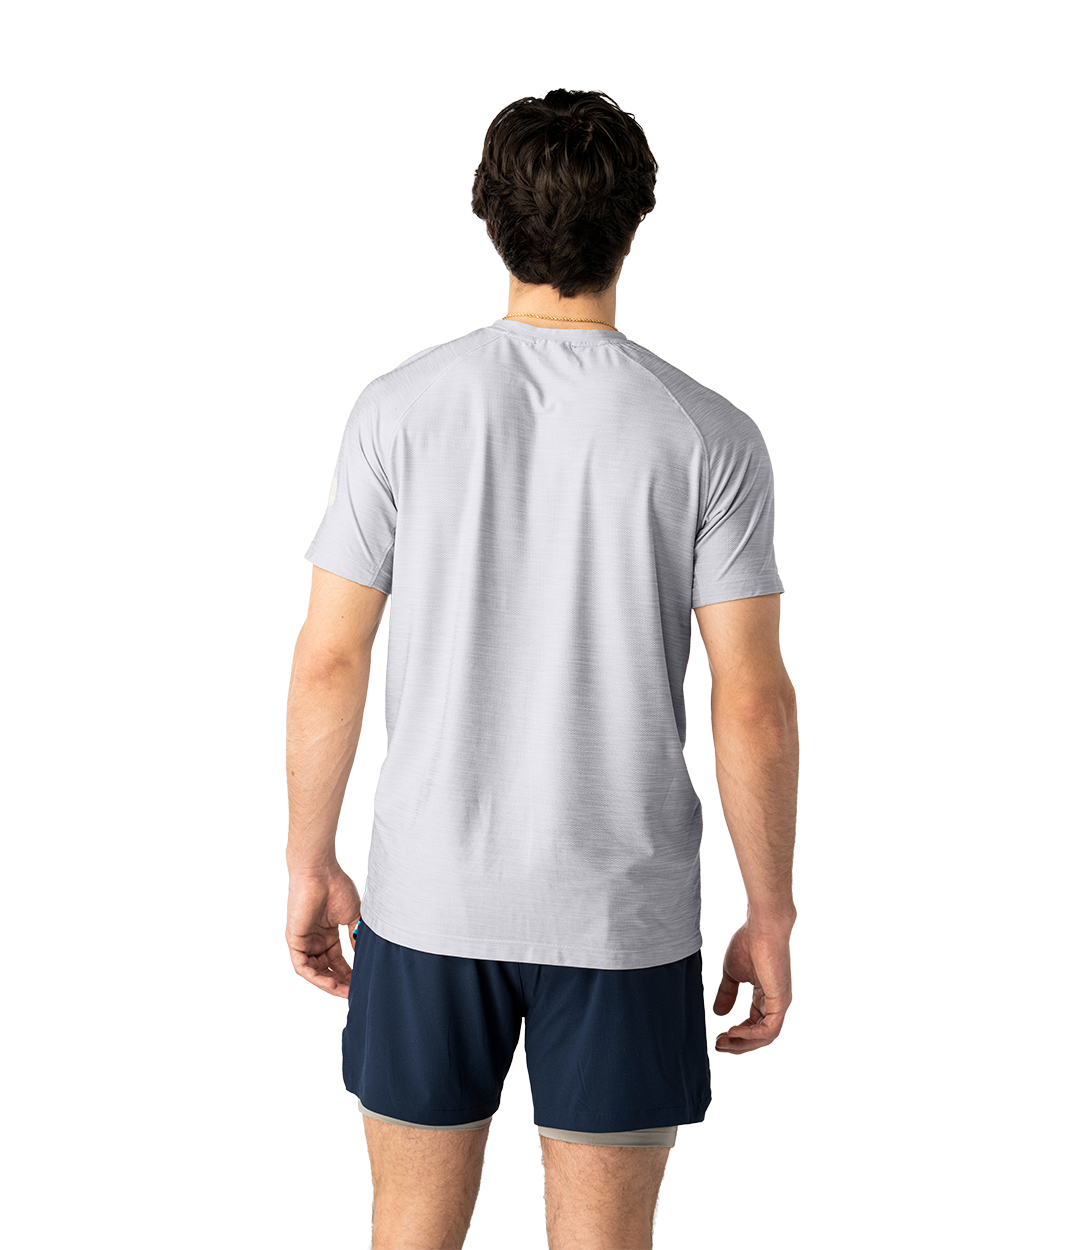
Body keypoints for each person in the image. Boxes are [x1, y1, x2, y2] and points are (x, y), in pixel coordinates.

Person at [283, 87, 799, 1250]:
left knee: (410, 1229)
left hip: (428, 898)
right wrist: (768, 912)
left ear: (485, 213)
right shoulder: (705, 433)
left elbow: (328, 658)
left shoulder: (399, 410)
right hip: (619, 911)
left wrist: (310, 861)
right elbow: (751, 702)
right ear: (636, 221)